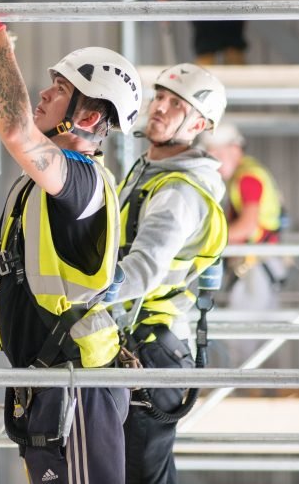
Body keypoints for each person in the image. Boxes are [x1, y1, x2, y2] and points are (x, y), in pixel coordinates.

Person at [0, 0, 144, 484]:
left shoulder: (80, 180)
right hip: (51, 382)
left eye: (59, 89)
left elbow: (16, 128)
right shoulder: (55, 172)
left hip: (77, 387)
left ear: (89, 118)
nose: (45, 95)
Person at [111, 63, 229, 484]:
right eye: (159, 97)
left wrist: (77, 293)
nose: (159, 107)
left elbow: (140, 271)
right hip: (142, 344)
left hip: (149, 349)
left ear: (198, 124)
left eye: (176, 104)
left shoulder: (177, 191)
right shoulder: (149, 171)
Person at [199, 122, 288, 365]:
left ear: (235, 150)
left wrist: (207, 240)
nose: (214, 160)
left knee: (242, 337)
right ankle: (258, 385)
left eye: (218, 153)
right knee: (260, 337)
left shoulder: (247, 178)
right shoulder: (249, 173)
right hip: (264, 263)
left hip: (256, 266)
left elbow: (247, 226)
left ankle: (242, 385)